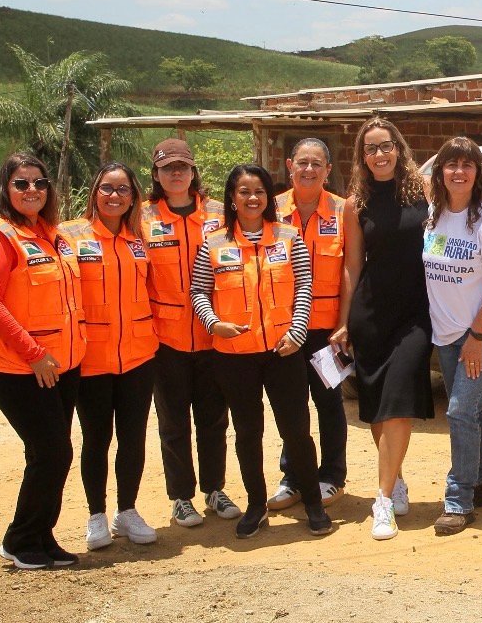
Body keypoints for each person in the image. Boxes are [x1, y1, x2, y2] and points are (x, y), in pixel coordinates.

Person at [189, 164, 333, 539]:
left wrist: (298, 332)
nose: (252, 198)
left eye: (259, 191)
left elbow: (304, 285)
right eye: (243, 192)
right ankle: (256, 504)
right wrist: (212, 323)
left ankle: (313, 502)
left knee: (297, 429)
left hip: (283, 352)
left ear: (269, 197)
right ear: (232, 199)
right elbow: (199, 291)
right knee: (248, 432)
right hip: (234, 355)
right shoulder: (214, 243)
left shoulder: (287, 236)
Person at [0, 153, 86, 569]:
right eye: (21, 184)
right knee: (52, 452)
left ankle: (41, 535)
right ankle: (20, 540)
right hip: (20, 369)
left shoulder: (50, 234)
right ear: (5, 188)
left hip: (62, 366)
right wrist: (33, 354)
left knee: (51, 453)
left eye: (39, 183)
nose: (32, 190)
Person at [57, 163, 161, 551]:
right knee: (96, 438)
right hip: (92, 358)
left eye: (123, 190)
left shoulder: (142, 237)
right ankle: (96, 515)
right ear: (94, 192)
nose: (114, 196)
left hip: (138, 355)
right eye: (107, 188)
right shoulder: (69, 235)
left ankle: (127, 511)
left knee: (133, 438)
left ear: (134, 196)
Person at [140, 138, 241, 529]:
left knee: (215, 419)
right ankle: (181, 497)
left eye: (182, 166)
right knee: (173, 422)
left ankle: (215, 489)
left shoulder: (219, 214)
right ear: (156, 175)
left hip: (215, 335)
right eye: (168, 168)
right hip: (165, 340)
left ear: (194, 170)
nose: (176, 173)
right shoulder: (142, 217)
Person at [345, 118, 434, 541]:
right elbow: (352, 267)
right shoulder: (355, 204)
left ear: (399, 147)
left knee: (398, 399)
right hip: (371, 315)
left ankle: (382, 501)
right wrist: (345, 322)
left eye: (386, 146)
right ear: (362, 158)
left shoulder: (425, 192)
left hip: (416, 314)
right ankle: (395, 480)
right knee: (378, 406)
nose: (379, 155)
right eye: (370, 149)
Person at [422, 137, 482, 535]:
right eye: (450, 165)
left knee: (459, 410)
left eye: (467, 165)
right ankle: (481, 481)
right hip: (444, 335)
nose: (458, 172)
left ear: (478, 173)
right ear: (440, 172)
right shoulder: (434, 214)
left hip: (481, 333)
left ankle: (458, 499)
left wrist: (477, 334)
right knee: (471, 411)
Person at [267, 138, 358, 512]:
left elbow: (352, 267)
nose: (308, 169)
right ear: (290, 165)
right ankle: (293, 477)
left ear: (328, 169)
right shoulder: (271, 210)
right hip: (285, 331)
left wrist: (344, 323)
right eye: (302, 162)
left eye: (316, 164)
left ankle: (331, 476)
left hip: (326, 331)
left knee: (329, 403)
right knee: (291, 406)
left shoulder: (342, 210)